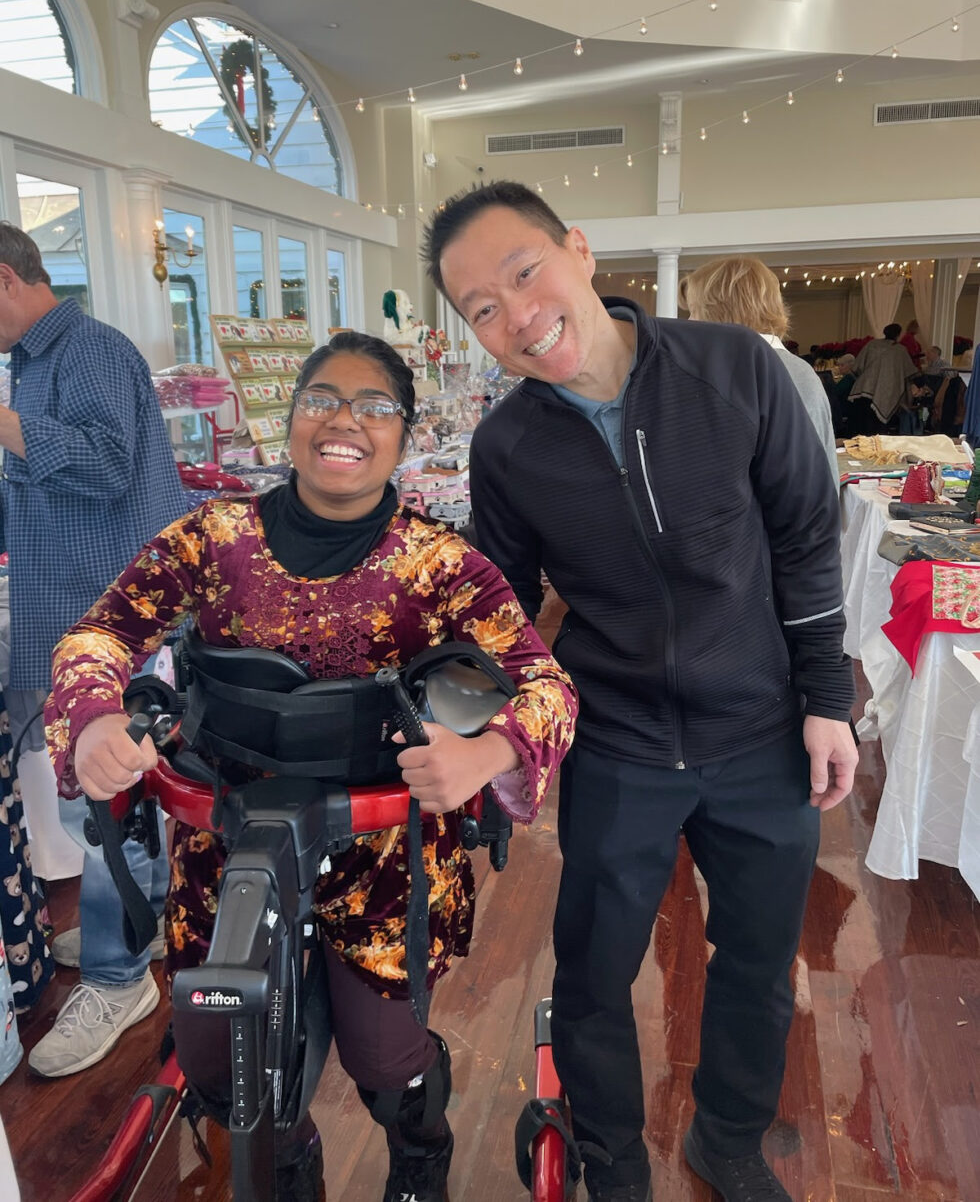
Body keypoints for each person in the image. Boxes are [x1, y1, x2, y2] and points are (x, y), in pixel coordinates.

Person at [45, 331, 578, 1202]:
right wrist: (96, 714)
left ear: (404, 434)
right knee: (219, 1056)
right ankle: (291, 1168)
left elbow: (547, 684)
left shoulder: (442, 564)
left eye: (375, 406)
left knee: (387, 1057)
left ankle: (419, 1156)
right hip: (229, 838)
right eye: (322, 399)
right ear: (289, 418)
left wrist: (486, 752)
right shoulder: (212, 536)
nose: (344, 421)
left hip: (387, 852)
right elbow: (102, 631)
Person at [424, 181, 858, 1202]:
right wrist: (456, 720)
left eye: (524, 272)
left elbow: (805, 538)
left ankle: (729, 1139)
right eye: (482, 308)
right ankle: (611, 1155)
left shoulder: (733, 369)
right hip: (617, 738)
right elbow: (501, 608)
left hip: (759, 728)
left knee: (756, 958)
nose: (517, 314)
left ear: (578, 251)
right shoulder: (507, 445)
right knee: (591, 969)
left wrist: (826, 698)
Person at [0, 221, 186, 1078]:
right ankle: (139, 924)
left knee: (110, 801)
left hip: (112, 621)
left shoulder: (92, 351)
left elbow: (107, 466)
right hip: (74, 613)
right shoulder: (34, 362)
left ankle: (119, 976)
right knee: (108, 799)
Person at [680, 256, 838, 479]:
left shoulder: (767, 371)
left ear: (721, 311)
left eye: (694, 311)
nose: (689, 322)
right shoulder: (785, 368)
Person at [847, 322, 917, 431]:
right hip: (884, 393)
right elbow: (910, 372)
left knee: (861, 429)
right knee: (876, 431)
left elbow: (857, 367)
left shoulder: (872, 344)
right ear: (898, 335)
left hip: (862, 391)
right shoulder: (900, 350)